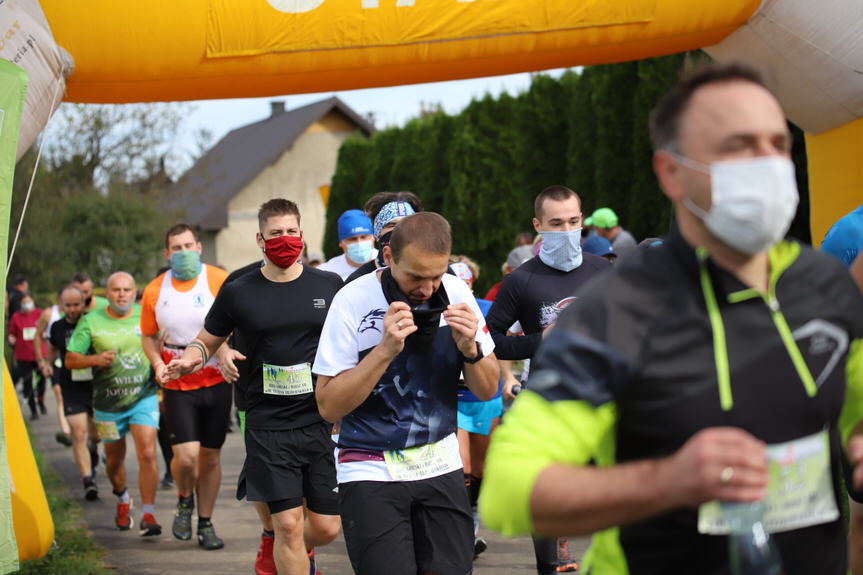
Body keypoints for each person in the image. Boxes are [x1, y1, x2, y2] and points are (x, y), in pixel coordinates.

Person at [481, 62, 863, 575]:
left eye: (777, 143)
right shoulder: (617, 308)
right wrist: (666, 481)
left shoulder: (826, 284)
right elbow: (510, 487)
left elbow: (855, 410)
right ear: (671, 172)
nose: (767, 163)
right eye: (736, 146)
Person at [313, 212, 499, 575]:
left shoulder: (457, 293)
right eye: (416, 276)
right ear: (387, 257)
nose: (428, 289)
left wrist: (470, 349)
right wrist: (383, 351)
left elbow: (488, 387)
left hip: (438, 463)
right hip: (369, 467)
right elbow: (327, 405)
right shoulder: (352, 299)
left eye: (436, 275)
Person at [165, 199, 342, 575]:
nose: (285, 239)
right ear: (260, 240)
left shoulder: (328, 285)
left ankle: (280, 547)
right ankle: (286, 549)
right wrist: (189, 360)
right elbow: (207, 339)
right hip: (267, 420)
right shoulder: (239, 290)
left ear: (302, 236)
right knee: (290, 524)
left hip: (318, 417)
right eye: (276, 233)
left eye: (291, 232)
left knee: (326, 528)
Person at [484, 185, 610, 574]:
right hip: (549, 404)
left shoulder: (602, 270)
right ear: (539, 226)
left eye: (574, 221)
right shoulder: (522, 281)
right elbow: (491, 342)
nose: (567, 230)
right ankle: (551, 567)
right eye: (556, 224)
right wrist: (542, 340)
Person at [140, 223, 232, 550]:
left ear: (199, 247)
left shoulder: (220, 280)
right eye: (176, 248)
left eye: (188, 245)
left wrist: (227, 352)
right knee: (188, 456)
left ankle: (205, 523)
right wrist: (157, 364)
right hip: (178, 383)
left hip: (217, 379)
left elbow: (233, 322)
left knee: (210, 457)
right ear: (167, 254)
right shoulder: (154, 290)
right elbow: (148, 336)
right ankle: (184, 498)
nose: (183, 253)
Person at [66, 272, 162, 536]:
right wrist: (95, 360)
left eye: (127, 289)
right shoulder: (91, 321)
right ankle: (122, 499)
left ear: (134, 292)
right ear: (106, 294)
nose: (122, 294)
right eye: (116, 290)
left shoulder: (145, 315)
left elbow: (160, 344)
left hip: (143, 397)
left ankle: (149, 514)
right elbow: (71, 360)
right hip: (107, 404)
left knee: (148, 453)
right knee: (114, 461)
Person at [450, 255, 502, 559]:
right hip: (454, 399)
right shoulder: (440, 310)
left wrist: (506, 379)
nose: (463, 288)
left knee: (481, 468)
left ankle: (473, 525)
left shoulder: (487, 309)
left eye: (467, 283)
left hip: (484, 399)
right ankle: (462, 534)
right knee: (463, 467)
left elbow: (499, 353)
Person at [41, 285, 100, 500]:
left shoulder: (93, 321)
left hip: (96, 383)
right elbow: (53, 348)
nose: (73, 309)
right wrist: (47, 364)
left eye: (76, 304)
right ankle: (88, 480)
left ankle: (93, 450)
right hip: (71, 384)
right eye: (68, 305)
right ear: (61, 305)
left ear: (83, 303)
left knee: (96, 434)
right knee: (78, 432)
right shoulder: (56, 327)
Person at [345, 194, 422, 283]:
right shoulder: (357, 281)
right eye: (392, 225)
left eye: (406, 225)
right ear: (377, 233)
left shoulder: (429, 272)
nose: (399, 231)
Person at [9, 293, 47, 420]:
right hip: (23, 355)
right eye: (24, 302)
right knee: (28, 383)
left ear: (33, 302)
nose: (27, 305)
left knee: (42, 380)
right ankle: (33, 410)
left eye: (29, 302)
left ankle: (41, 400)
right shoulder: (16, 317)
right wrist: (11, 339)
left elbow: (47, 329)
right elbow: (12, 334)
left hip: (39, 355)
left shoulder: (40, 314)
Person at [318, 209, 377, 280]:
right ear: (341, 243)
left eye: (364, 237)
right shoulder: (327, 272)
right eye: (353, 239)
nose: (359, 243)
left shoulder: (387, 263)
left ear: (373, 237)